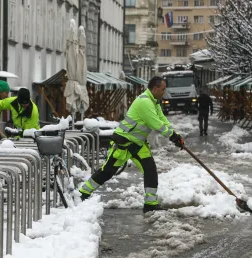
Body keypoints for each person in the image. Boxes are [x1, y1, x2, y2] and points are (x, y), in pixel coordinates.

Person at [78, 76, 184, 213]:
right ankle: (83, 193)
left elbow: (162, 120)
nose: (164, 92)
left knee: (150, 170)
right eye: (163, 89)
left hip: (138, 144)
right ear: (155, 88)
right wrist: (172, 136)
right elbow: (155, 123)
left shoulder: (154, 102)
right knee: (107, 172)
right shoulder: (145, 102)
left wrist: (175, 135)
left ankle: (150, 204)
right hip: (123, 142)